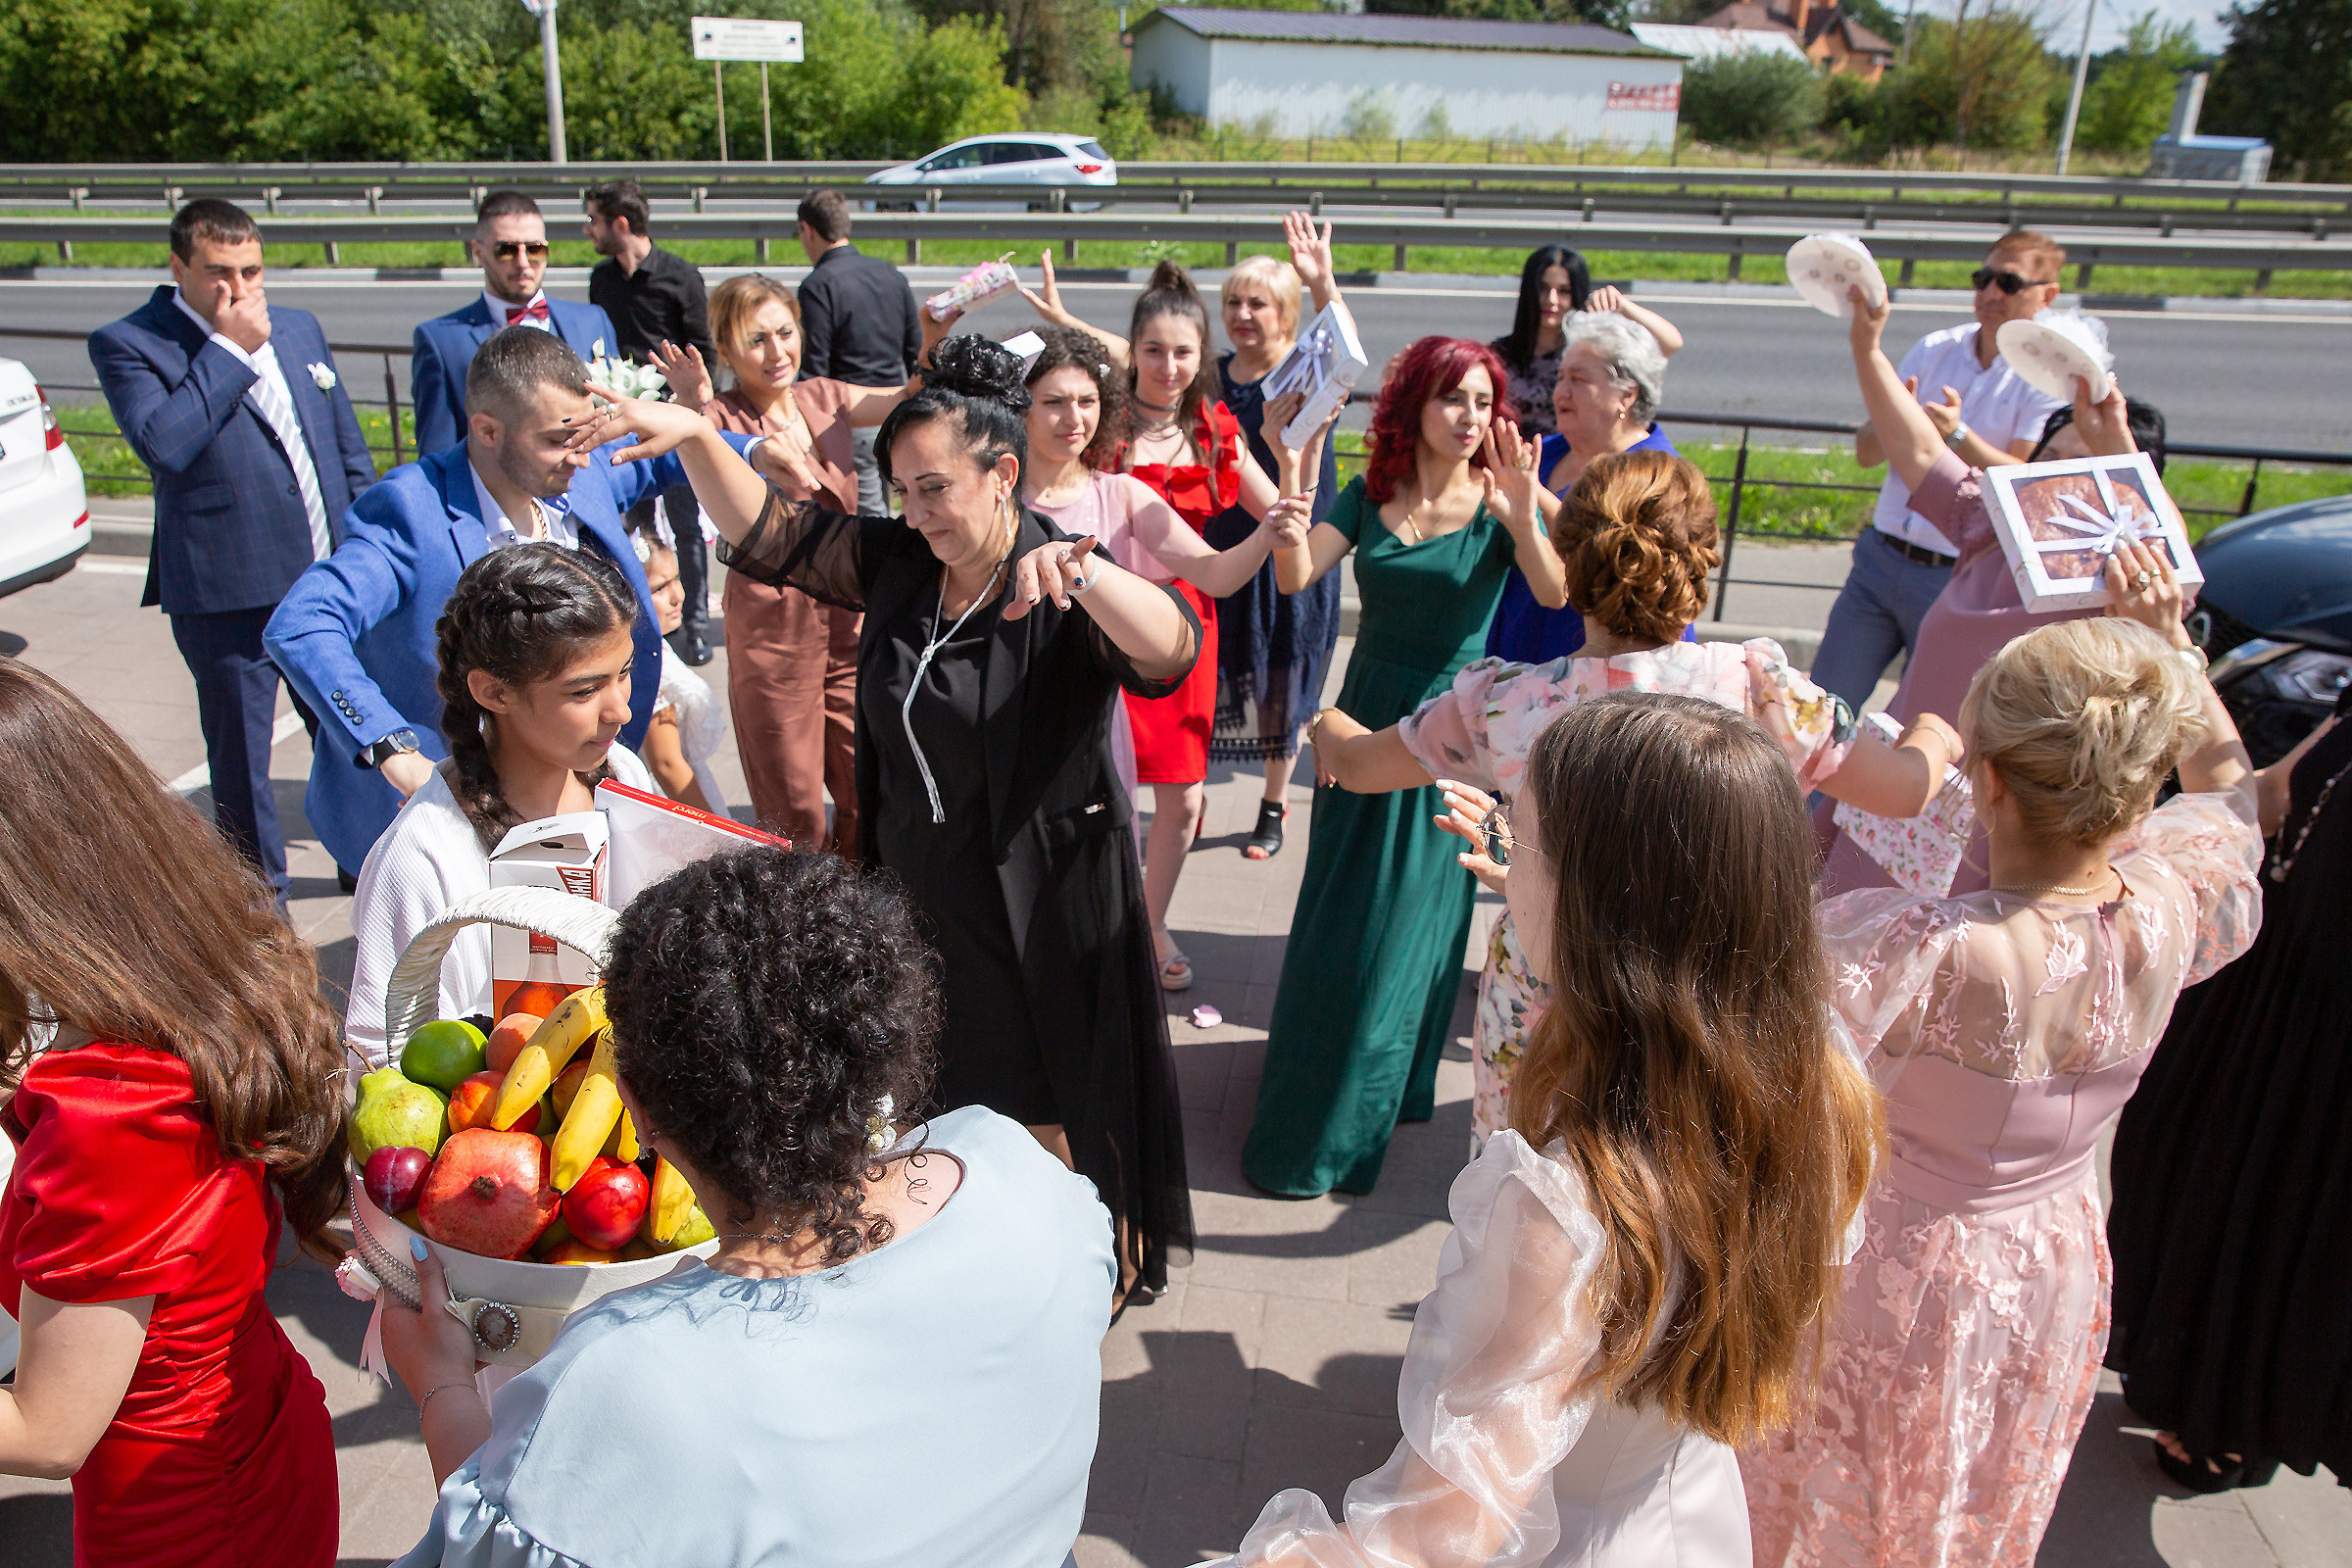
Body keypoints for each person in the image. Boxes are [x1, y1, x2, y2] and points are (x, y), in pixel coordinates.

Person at [566, 333, 1204, 1306]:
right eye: (901, 490)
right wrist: (698, 430)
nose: (917, 512)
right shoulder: (905, 564)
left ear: (1002, 476)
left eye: (935, 488)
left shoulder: (1056, 572)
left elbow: (1173, 648)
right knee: (942, 1092)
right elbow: (774, 534)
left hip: (1041, 904)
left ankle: (1075, 1269)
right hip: (924, 896)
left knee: (1048, 1097)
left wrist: (1090, 576)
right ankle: (973, 1253)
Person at [1206, 693, 1881, 1567]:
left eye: (1521, 843)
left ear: (1591, 906)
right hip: (1686, 1515)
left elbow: (1437, 1535)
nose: (1503, 858)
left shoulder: (1564, 1210)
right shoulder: (1815, 1077)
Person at [380, 849, 1117, 1568]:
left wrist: (441, 1383)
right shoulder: (1020, 1171)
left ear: (633, 1105)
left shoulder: (625, 1380)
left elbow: (496, 1547)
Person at [1741, 598, 2264, 1567]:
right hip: (2054, 1260)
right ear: (2141, 779)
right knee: (1974, 1499)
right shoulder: (2171, 905)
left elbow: (1719, 999)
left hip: (1894, 1271)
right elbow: (2232, 800)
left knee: (1829, 1502)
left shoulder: (1912, 948)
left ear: (1984, 782)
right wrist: (2176, 656)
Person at [1308, 449, 1961, 1150]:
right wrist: (1934, 735)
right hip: (1706, 1004)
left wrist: (1325, 725)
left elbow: (1357, 765)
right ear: (1701, 561)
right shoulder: (1759, 692)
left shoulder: (1503, 704)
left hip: (1548, 999)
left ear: (1572, 560)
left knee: (1536, 1211)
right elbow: (1904, 790)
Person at [0, 661, 349, 1567]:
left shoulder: (109, 1109)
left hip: (180, 1517)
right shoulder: (180, 981)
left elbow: (46, 1428)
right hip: (246, 1436)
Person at [1241, 336, 1568, 1199]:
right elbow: (1298, 571)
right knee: (1342, 919)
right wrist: (1284, 517)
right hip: (1362, 719)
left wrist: (1524, 514)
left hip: (1454, 734)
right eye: (1451, 399)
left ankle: (1349, 1131)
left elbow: (1555, 592)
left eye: (1483, 402)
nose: (1469, 418)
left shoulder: (1502, 499)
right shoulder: (1372, 491)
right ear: (1415, 406)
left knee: (1405, 935)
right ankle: (1364, 1086)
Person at [267, 326, 756, 882]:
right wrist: (391, 748)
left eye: (585, 436)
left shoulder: (579, 462)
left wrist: (759, 450)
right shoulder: (409, 512)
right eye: (556, 440)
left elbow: (659, 458)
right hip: (448, 809)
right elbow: (304, 623)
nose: (580, 458)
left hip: (570, 788)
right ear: (487, 430)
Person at [1816, 290, 2169, 899]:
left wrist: (2112, 436)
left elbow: (2173, 566)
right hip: (1902, 798)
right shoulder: (1992, 525)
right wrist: (1866, 346)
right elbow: (1918, 447)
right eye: (2050, 462)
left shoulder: (2123, 587)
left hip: (2002, 833)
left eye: (2086, 473)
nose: (2061, 485)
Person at [86, 198, 376, 903]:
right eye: (218, 273)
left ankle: (364, 863)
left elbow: (343, 448)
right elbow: (165, 444)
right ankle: (260, 900)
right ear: (178, 266)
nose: (238, 289)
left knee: (350, 739)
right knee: (242, 761)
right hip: (227, 593)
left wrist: (367, 543)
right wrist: (228, 349)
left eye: (251, 270)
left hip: (324, 585)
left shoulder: (299, 327)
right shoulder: (131, 342)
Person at [2106, 689, 2352, 1493]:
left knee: (2284, 1230)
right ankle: (2186, 1379)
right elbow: (2269, 797)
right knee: (2190, 1185)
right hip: (2268, 1001)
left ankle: (2230, 1416)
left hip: (2329, 1044)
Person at [342, 543, 661, 1068]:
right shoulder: (422, 855)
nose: (621, 709)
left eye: (623, 672)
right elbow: (381, 1052)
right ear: (493, 692)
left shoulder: (624, 775)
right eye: (584, 691)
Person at [1017, 324, 1321, 868]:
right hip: (1012, 710)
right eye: (1054, 402)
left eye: (1087, 401)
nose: (1074, 418)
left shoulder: (1121, 493)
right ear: (1020, 408)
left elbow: (1216, 575)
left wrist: (1265, 535)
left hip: (1095, 719)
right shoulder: (992, 498)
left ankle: (1145, 930)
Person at [651, 272, 937, 849]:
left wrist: (931, 336)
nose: (777, 352)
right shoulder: (724, 421)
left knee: (869, 796)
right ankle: (800, 930)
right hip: (772, 637)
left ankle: (863, 926)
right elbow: (692, 443)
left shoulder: (823, 398)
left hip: (853, 628)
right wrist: (693, 404)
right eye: (756, 340)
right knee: (795, 812)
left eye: (785, 333)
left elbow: (906, 401)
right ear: (726, 349)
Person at [1810, 230, 2071, 709]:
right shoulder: (1936, 348)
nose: (1991, 293)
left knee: (1924, 722)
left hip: (1956, 574)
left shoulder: (2045, 378)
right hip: (1881, 556)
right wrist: (1895, 422)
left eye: (2009, 283)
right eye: (1984, 278)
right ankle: (1802, 789)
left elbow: (2025, 480)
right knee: (1823, 708)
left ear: (2047, 295)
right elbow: (1867, 453)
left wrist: (1955, 436)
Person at [1205, 221, 1349, 860]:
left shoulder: (1306, 374)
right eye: (1233, 302)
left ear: (1287, 313)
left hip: (1290, 551)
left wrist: (1322, 281)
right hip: (1226, 550)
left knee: (1280, 684)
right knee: (1215, 674)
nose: (1242, 315)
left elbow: (1347, 345)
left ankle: (1272, 802)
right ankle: (1194, 791)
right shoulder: (1207, 376)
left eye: (1257, 303)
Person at [1490, 310, 1684, 664]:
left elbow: (1612, 550)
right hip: (1522, 649)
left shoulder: (1659, 471)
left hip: (1608, 673)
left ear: (1626, 395)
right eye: (1561, 377)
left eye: (1578, 379)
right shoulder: (1543, 453)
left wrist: (1534, 495)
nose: (1560, 391)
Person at [585, 177, 717, 664]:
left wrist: (691, 406)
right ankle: (636, 623)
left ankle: (695, 624)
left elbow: (704, 350)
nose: (588, 230)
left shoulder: (680, 276)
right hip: (620, 423)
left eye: (593, 220)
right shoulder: (601, 280)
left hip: (673, 422)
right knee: (627, 524)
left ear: (621, 224)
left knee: (685, 525)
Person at [411, 191, 616, 457]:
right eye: (506, 250)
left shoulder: (591, 321)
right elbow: (438, 454)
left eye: (534, 249)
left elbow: (615, 422)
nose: (522, 263)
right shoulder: (441, 342)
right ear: (478, 252)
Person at [794, 188, 923, 514]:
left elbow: (815, 369)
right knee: (905, 509)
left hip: (853, 419)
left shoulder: (817, 285)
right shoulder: (891, 274)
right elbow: (915, 349)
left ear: (807, 230)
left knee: (868, 523)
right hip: (898, 410)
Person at [1489, 244, 1683, 439]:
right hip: (1513, 463)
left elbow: (1670, 343)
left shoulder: (1592, 353)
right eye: (1543, 288)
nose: (1551, 300)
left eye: (1564, 291)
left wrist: (1622, 306)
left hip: (1577, 460)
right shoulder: (1498, 356)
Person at [632, 526, 727, 815]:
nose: (677, 595)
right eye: (659, 588)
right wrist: (718, 836)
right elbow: (666, 764)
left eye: (677, 579)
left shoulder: (656, 647)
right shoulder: (649, 666)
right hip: (675, 803)